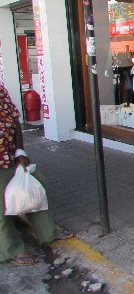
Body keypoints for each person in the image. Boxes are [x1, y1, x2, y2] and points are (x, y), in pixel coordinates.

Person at [0, 84, 73, 266]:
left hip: (9, 156)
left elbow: (15, 121)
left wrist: (20, 152)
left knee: (38, 186)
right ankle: (12, 249)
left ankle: (47, 232)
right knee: (1, 207)